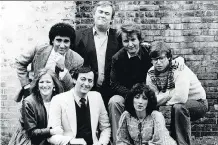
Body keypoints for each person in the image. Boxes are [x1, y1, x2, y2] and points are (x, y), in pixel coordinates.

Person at [108, 24, 185, 144]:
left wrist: (180, 60)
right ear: (121, 43)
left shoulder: (149, 51)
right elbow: (114, 84)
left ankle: (154, 138)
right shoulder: (117, 58)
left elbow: (166, 57)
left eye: (133, 39)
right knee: (114, 101)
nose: (130, 44)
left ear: (139, 39)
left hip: (149, 93)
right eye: (126, 41)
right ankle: (120, 141)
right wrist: (133, 95)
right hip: (127, 95)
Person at [146, 41, 208, 145]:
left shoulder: (178, 68)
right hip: (176, 104)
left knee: (178, 107)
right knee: (162, 109)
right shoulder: (150, 73)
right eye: (155, 59)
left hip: (199, 103)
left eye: (161, 58)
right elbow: (153, 100)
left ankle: (183, 143)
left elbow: (181, 97)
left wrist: (164, 96)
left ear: (169, 58)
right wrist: (170, 93)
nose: (158, 63)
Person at [15, 22, 84, 102]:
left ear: (70, 43)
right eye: (58, 40)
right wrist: (26, 85)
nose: (62, 45)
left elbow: (73, 88)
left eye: (66, 41)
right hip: (36, 95)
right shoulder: (40, 49)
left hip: (61, 100)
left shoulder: (78, 60)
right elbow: (20, 62)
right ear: (52, 40)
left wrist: (63, 69)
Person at [47, 66, 111, 145]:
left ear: (93, 83)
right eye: (83, 79)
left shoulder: (97, 97)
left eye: (90, 81)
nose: (86, 83)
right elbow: (52, 136)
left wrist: (101, 143)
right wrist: (71, 141)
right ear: (74, 80)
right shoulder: (58, 100)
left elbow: (105, 128)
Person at [75, 1, 122, 105]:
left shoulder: (119, 37)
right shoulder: (79, 36)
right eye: (100, 12)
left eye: (107, 13)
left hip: (111, 92)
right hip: (87, 90)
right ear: (93, 14)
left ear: (112, 19)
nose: (103, 15)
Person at [8, 68, 64, 145]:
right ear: (37, 85)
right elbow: (31, 133)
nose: (44, 85)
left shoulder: (59, 100)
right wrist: (51, 131)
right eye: (41, 82)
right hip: (32, 141)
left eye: (48, 82)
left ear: (54, 84)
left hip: (51, 139)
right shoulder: (29, 102)